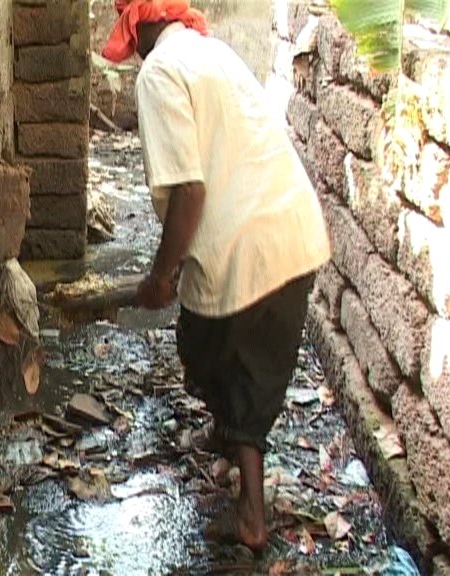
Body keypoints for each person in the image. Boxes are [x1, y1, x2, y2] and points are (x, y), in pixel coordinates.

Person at [102, 0, 332, 551]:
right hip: (293, 230)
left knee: (237, 367)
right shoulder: (211, 52)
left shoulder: (159, 74)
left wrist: (160, 277)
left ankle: (251, 515)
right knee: (203, 343)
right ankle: (225, 433)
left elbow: (189, 190)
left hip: (250, 248)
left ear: (139, 25)